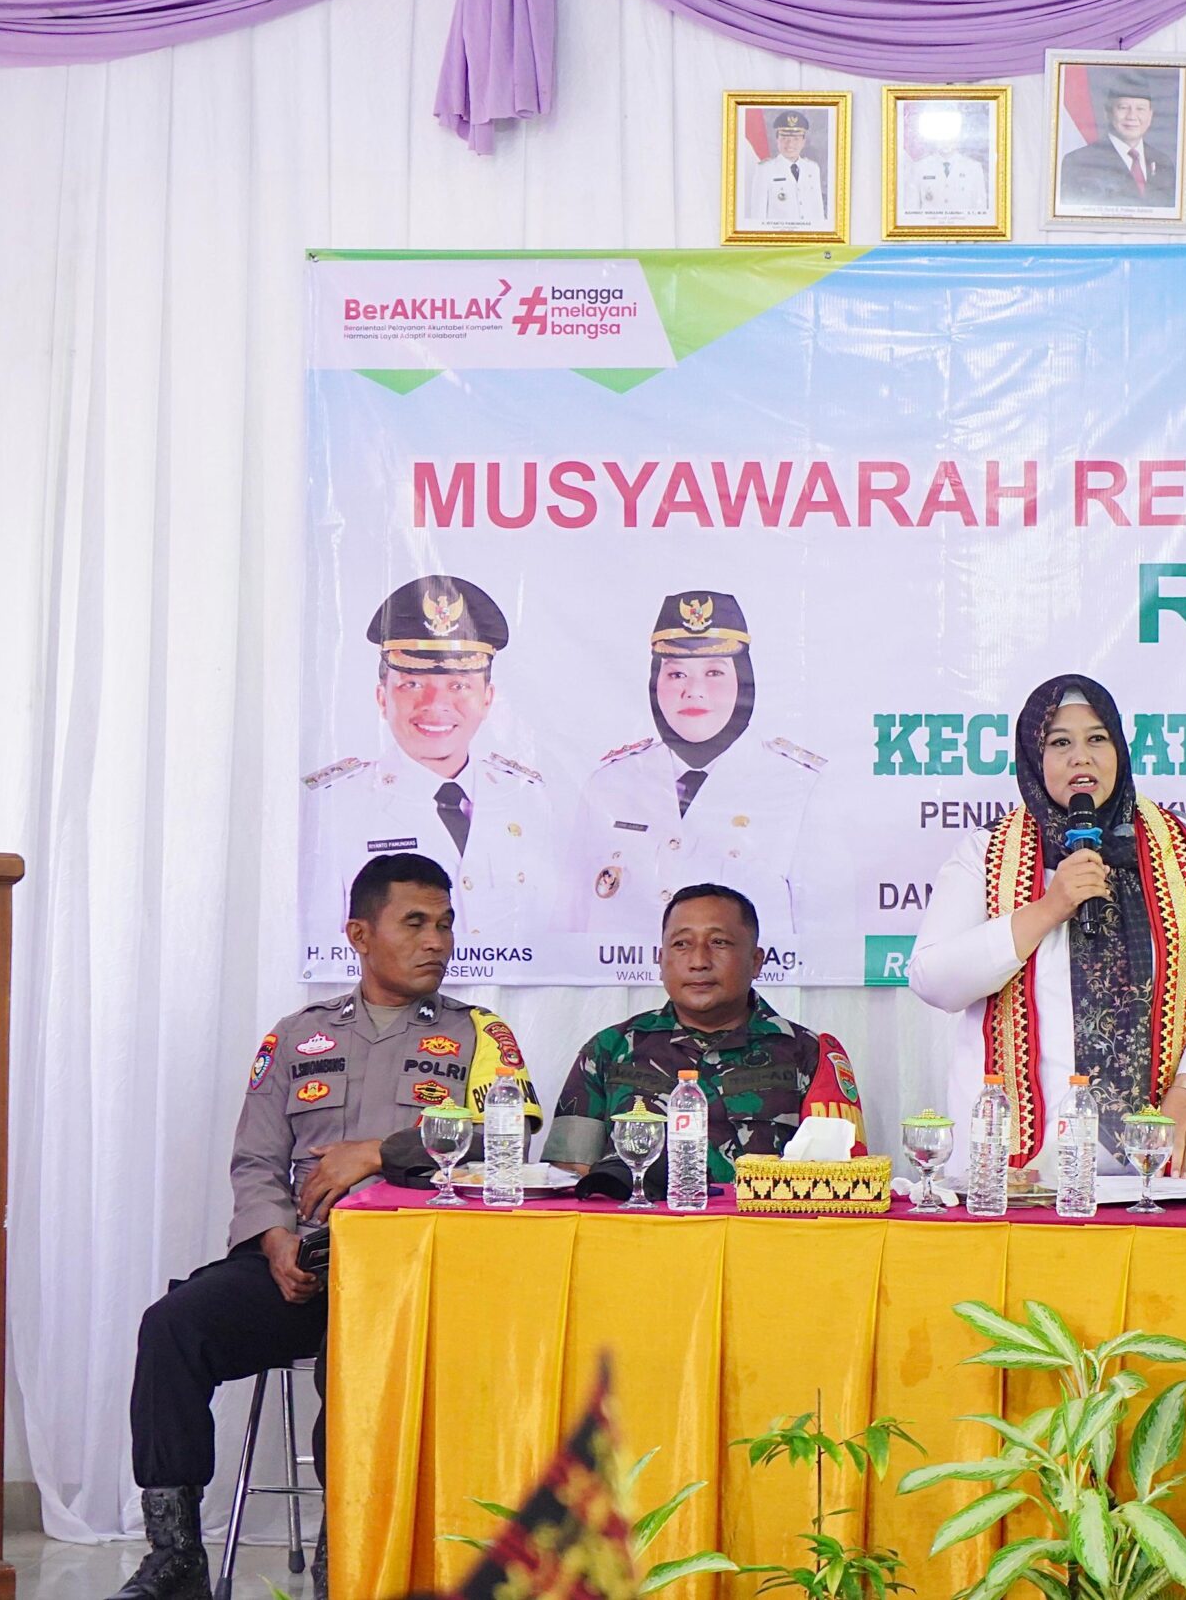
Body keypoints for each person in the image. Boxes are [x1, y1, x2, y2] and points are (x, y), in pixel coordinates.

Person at [111, 854, 541, 1600]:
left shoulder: (480, 1035)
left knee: (357, 1357)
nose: (436, 941)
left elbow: (511, 1138)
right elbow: (255, 1161)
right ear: (359, 934)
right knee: (173, 1326)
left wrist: (382, 1151)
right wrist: (274, 1240)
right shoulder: (296, 1037)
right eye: (415, 923)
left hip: (414, 1273)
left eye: (444, 924)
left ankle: (345, 1559)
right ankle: (176, 1557)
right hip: (305, 1261)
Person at [908, 674, 1186, 1181]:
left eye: (1097, 738)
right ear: (1034, 758)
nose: (1081, 757)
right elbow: (933, 980)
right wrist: (1049, 908)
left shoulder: (1185, 852)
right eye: (1060, 743)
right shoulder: (986, 854)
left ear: (1118, 748)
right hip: (1030, 1164)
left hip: (1164, 1153)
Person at [544, 883, 861, 1185]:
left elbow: (841, 1181)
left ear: (756, 961)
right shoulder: (608, 1050)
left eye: (719, 942)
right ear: (660, 960)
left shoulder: (808, 1054)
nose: (698, 962)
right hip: (636, 1224)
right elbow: (569, 1177)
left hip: (761, 1224)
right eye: (681, 944)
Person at [302, 573, 561, 940]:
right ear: (382, 698)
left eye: (459, 685)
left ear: (487, 699)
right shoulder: (333, 805)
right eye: (412, 684)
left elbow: (549, 930)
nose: (436, 704)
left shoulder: (524, 796)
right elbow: (318, 945)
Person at [566, 590, 823, 948]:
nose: (694, 691)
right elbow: (570, 927)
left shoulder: (799, 787)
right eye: (676, 674)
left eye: (714, 672)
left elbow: (822, 942)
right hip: (617, 984)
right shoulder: (609, 785)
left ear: (743, 681)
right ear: (655, 683)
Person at [1058, 74, 1176, 209]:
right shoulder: (1079, 162)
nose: (1132, 116)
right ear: (1107, 112)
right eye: (1123, 107)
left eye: (1140, 109)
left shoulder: (1163, 163)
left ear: (1150, 115)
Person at [745, 109, 828, 227]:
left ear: (803, 141)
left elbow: (818, 212)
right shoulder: (765, 170)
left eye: (796, 139)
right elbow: (758, 216)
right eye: (784, 138)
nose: (790, 144)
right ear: (777, 140)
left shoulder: (812, 169)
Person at [902, 109, 990, 218]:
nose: (946, 141)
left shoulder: (974, 168)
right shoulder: (919, 167)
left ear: (959, 137)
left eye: (950, 135)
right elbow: (911, 212)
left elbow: (980, 213)